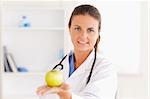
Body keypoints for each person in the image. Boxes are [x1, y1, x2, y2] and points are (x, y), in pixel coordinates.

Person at [36, 4, 117, 99]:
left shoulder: (106, 69)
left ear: (98, 33)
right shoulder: (55, 68)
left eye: (90, 30)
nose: (83, 36)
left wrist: (66, 96)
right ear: (69, 29)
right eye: (77, 29)